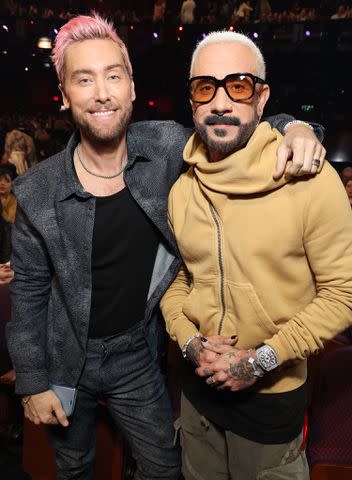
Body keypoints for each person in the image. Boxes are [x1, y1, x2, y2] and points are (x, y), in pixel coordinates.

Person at [6, 14, 325, 480]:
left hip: (136, 351)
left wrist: (298, 127)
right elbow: (29, 292)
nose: (101, 92)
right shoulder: (37, 190)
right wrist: (32, 383)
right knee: (74, 465)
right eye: (84, 79)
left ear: (131, 86)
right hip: (64, 353)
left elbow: (237, 122)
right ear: (64, 94)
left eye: (113, 76)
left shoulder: (168, 146)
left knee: (162, 467)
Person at [160, 31, 352, 480]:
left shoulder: (309, 179)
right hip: (197, 393)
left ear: (261, 98)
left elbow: (343, 293)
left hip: (271, 400)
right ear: (192, 101)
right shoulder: (182, 189)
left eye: (239, 86)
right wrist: (190, 344)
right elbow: (181, 281)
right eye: (205, 87)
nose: (221, 102)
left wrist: (259, 361)